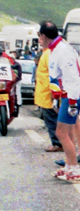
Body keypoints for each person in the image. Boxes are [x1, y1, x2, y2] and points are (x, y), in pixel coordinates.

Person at [39, 21, 80, 182]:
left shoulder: (62, 51)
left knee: (60, 132)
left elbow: (73, 77)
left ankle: (75, 169)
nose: (39, 40)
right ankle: (70, 166)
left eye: (39, 36)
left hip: (72, 95)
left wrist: (71, 102)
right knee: (68, 132)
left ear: (43, 36)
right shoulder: (56, 48)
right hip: (66, 94)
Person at [35, 47, 63, 153]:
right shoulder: (52, 52)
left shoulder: (50, 53)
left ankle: (58, 143)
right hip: (51, 92)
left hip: (50, 93)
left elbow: (53, 74)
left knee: (52, 120)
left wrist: (54, 93)